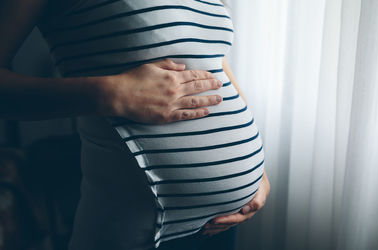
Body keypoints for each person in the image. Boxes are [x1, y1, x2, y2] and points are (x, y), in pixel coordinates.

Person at [0, 0, 271, 249]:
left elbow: (214, 66)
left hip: (222, 225)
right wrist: (114, 93)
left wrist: (258, 173)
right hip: (140, 233)